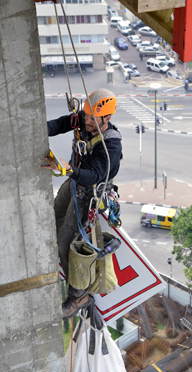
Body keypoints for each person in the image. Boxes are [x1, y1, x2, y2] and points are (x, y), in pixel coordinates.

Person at [42, 89, 122, 319]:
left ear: (106, 119)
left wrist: (68, 169)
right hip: (74, 183)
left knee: (66, 240)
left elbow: (95, 175)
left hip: (90, 193)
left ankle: (79, 296)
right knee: (52, 221)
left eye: (91, 118)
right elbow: (62, 123)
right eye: (85, 116)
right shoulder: (83, 119)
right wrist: (39, 132)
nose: (85, 121)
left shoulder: (111, 145)